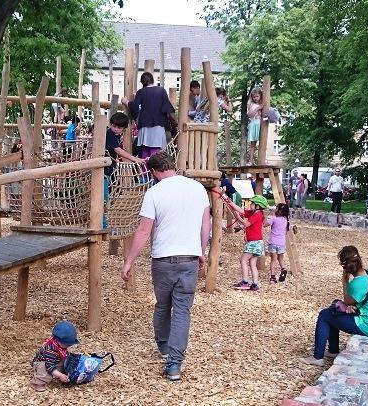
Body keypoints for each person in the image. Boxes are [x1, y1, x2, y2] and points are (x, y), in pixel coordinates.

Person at [119, 151, 210, 381]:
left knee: (162, 305)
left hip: (163, 259)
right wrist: (202, 251)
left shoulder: (154, 192)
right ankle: (174, 364)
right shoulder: (197, 189)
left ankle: (163, 345)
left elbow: (144, 230)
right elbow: (205, 223)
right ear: (172, 166)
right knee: (182, 311)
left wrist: (129, 261)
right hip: (189, 257)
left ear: (154, 171)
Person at [300, 246, 368, 366]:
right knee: (333, 310)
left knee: (325, 315)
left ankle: (318, 357)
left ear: (345, 268)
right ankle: (333, 350)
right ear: (359, 260)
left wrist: (345, 281)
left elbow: (348, 302)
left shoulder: (357, 283)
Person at [122, 72, 175, 159]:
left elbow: (135, 107)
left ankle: (145, 172)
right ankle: (155, 171)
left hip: (145, 126)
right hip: (159, 125)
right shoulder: (161, 90)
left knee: (145, 151)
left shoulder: (141, 92)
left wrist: (126, 101)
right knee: (157, 151)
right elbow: (167, 109)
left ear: (142, 82)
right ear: (152, 80)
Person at [225, 195, 268, 291]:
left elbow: (246, 224)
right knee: (252, 263)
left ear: (258, 206)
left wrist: (238, 218)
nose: (250, 205)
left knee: (243, 260)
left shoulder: (257, 214)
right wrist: (230, 203)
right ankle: (255, 284)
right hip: (257, 243)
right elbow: (241, 211)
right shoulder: (254, 213)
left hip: (254, 243)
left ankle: (245, 282)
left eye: (252, 203)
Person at [29, 320, 79, 391]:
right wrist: (60, 375)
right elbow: (49, 366)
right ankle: (37, 383)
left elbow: (64, 354)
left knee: (65, 361)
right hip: (42, 362)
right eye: (67, 344)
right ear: (59, 341)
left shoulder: (59, 344)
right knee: (44, 369)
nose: (68, 346)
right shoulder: (51, 349)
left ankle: (62, 373)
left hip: (54, 360)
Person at [266, 202, 290, 283]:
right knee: (280, 258)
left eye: (276, 208)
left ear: (279, 211)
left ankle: (272, 277)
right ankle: (283, 269)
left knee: (273, 260)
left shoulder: (274, 218)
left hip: (273, 242)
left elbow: (264, 224)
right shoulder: (286, 220)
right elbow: (286, 232)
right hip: (281, 243)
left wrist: (265, 215)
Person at [246, 88, 263, 165]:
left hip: (260, 124)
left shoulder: (262, 104)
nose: (255, 98)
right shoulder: (252, 105)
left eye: (257, 96)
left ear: (260, 96)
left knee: (262, 143)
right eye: (254, 97)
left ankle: (263, 159)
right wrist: (257, 108)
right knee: (253, 144)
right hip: (253, 124)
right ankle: (250, 161)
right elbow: (249, 115)